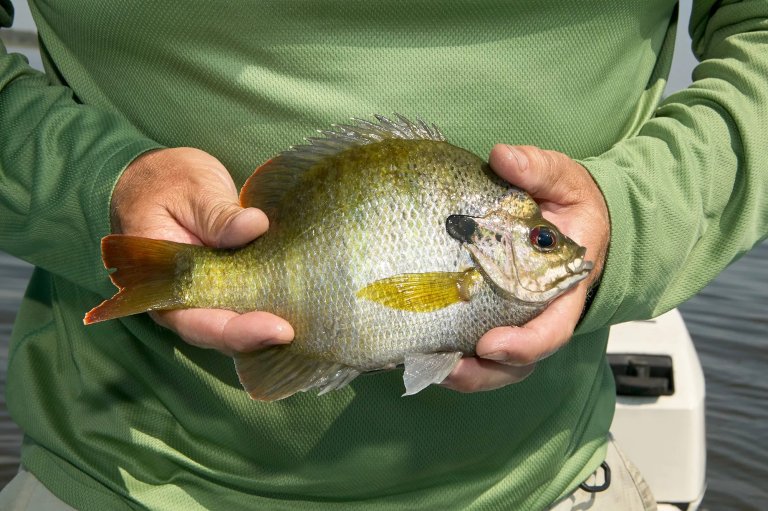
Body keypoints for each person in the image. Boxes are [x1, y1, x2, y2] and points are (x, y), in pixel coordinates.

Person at [0, 1, 765, 510]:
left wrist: (629, 219)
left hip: (549, 480)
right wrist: (95, 187)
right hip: (123, 478)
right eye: (541, 240)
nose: (551, 252)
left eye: (542, 240)